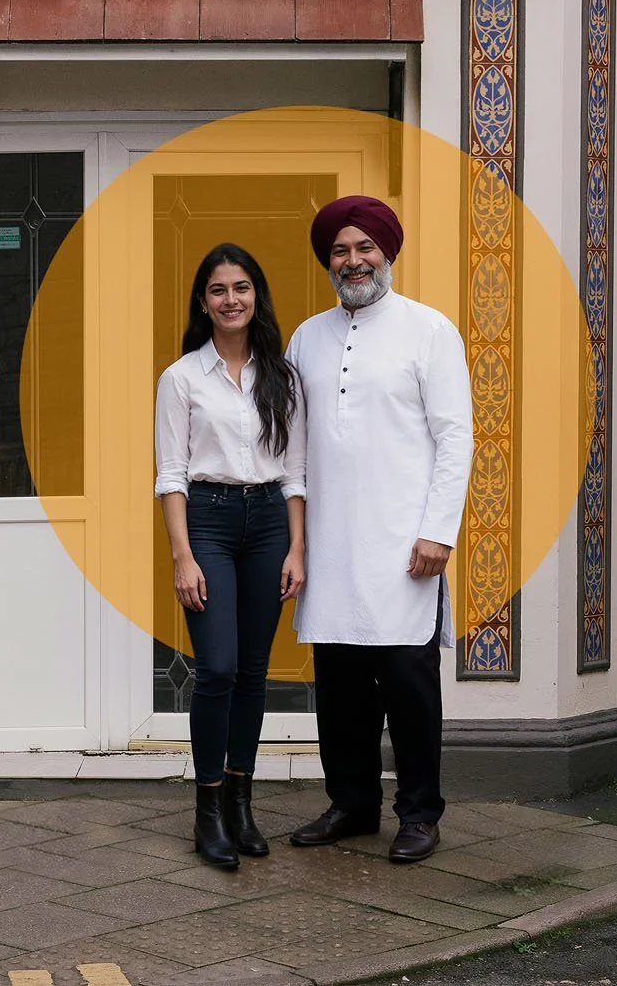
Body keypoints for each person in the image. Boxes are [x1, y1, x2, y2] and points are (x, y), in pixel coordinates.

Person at [284, 196, 473, 863]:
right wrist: (297, 542)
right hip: (332, 549)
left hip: (405, 549)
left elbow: (456, 440)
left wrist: (438, 532)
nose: (353, 260)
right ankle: (352, 804)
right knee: (338, 691)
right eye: (340, 250)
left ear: (388, 252)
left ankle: (420, 813)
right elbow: (292, 448)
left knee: (409, 687)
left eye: (365, 247)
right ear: (328, 262)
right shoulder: (306, 337)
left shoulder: (429, 331)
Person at [154, 242, 307, 869]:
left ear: (256, 295)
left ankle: (243, 803)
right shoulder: (181, 377)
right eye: (219, 290)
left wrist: (297, 546)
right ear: (203, 301)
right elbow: (171, 475)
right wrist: (182, 556)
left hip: (270, 521)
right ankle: (208, 808)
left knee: (252, 670)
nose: (231, 300)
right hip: (210, 523)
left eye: (241, 288)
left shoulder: (283, 376)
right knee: (215, 667)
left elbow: (296, 469)